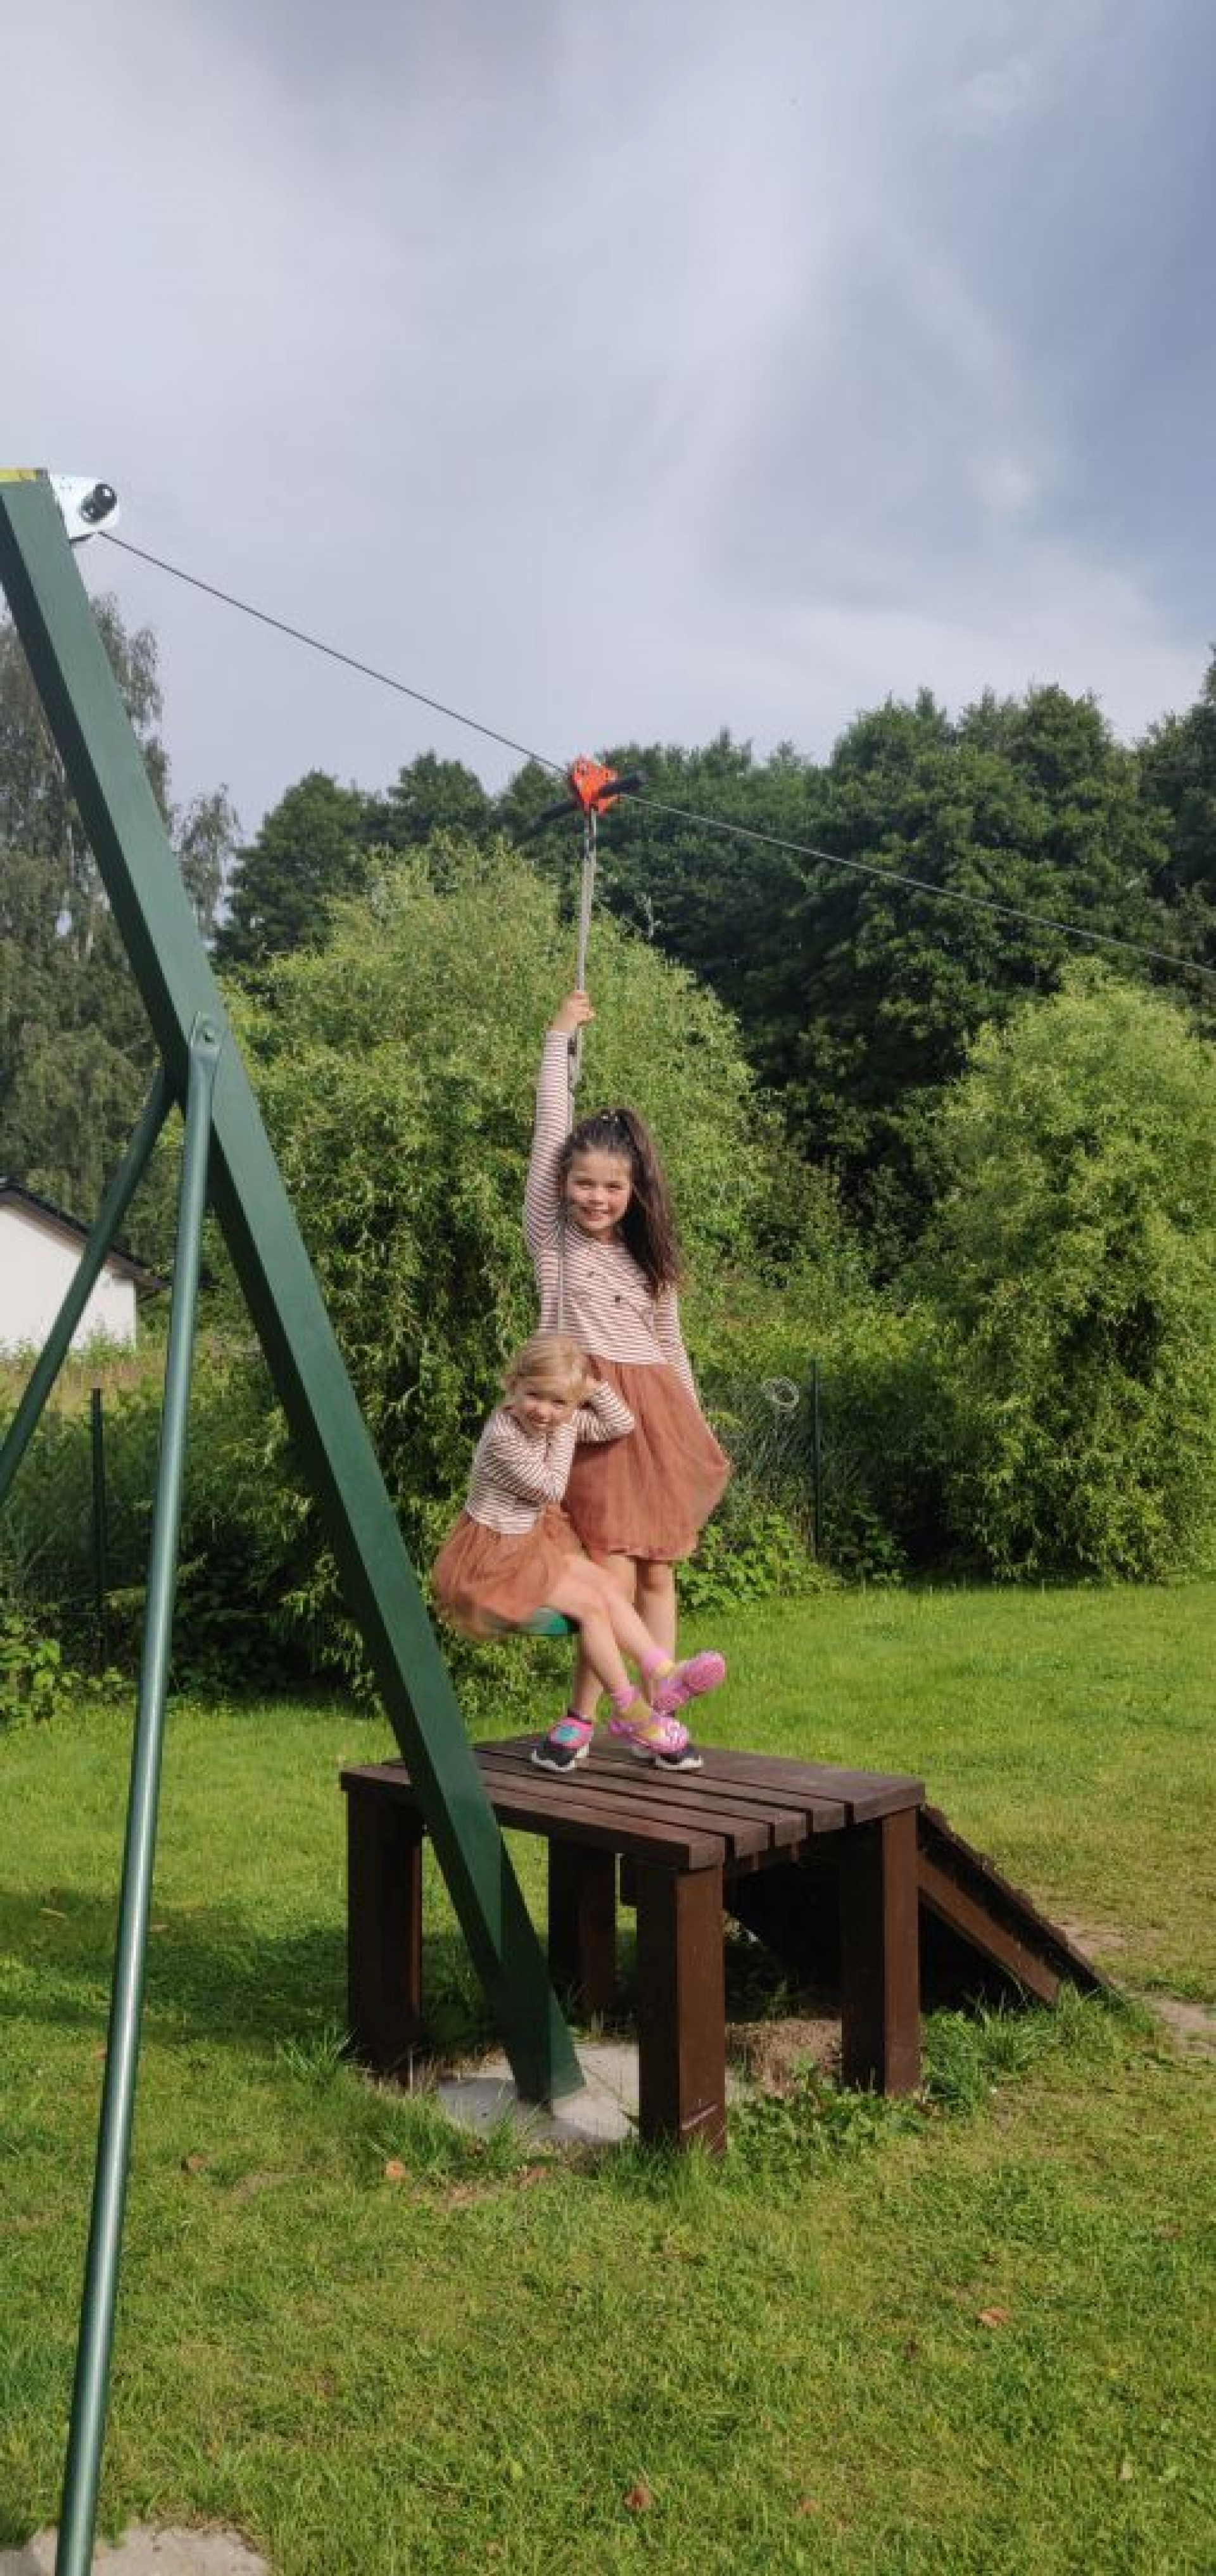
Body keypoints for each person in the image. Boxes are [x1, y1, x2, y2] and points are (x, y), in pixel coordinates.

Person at [524, 990, 730, 1764]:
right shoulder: (553, 1240)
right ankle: (586, 1717)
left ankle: (655, 1713)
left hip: (656, 1413)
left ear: (635, 1191)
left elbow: (672, 1347)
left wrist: (694, 1426)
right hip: (594, 1410)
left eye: (612, 1188)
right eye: (585, 1184)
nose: (596, 1198)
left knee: (656, 1573)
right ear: (564, 1184)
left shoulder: (650, 1261)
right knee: (605, 1574)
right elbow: (550, 1129)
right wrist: (559, 1036)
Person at [431, 1332, 721, 1771]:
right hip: (495, 1558)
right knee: (591, 1609)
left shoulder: (554, 1419)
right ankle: (631, 1711)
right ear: (512, 1385)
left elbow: (620, 1424)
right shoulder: (504, 1437)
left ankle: (663, 1674)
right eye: (534, 1396)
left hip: (530, 1544)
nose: (544, 1412)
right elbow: (552, 1488)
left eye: (558, 1402)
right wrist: (568, 1419)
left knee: (608, 1589)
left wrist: (591, 1390)